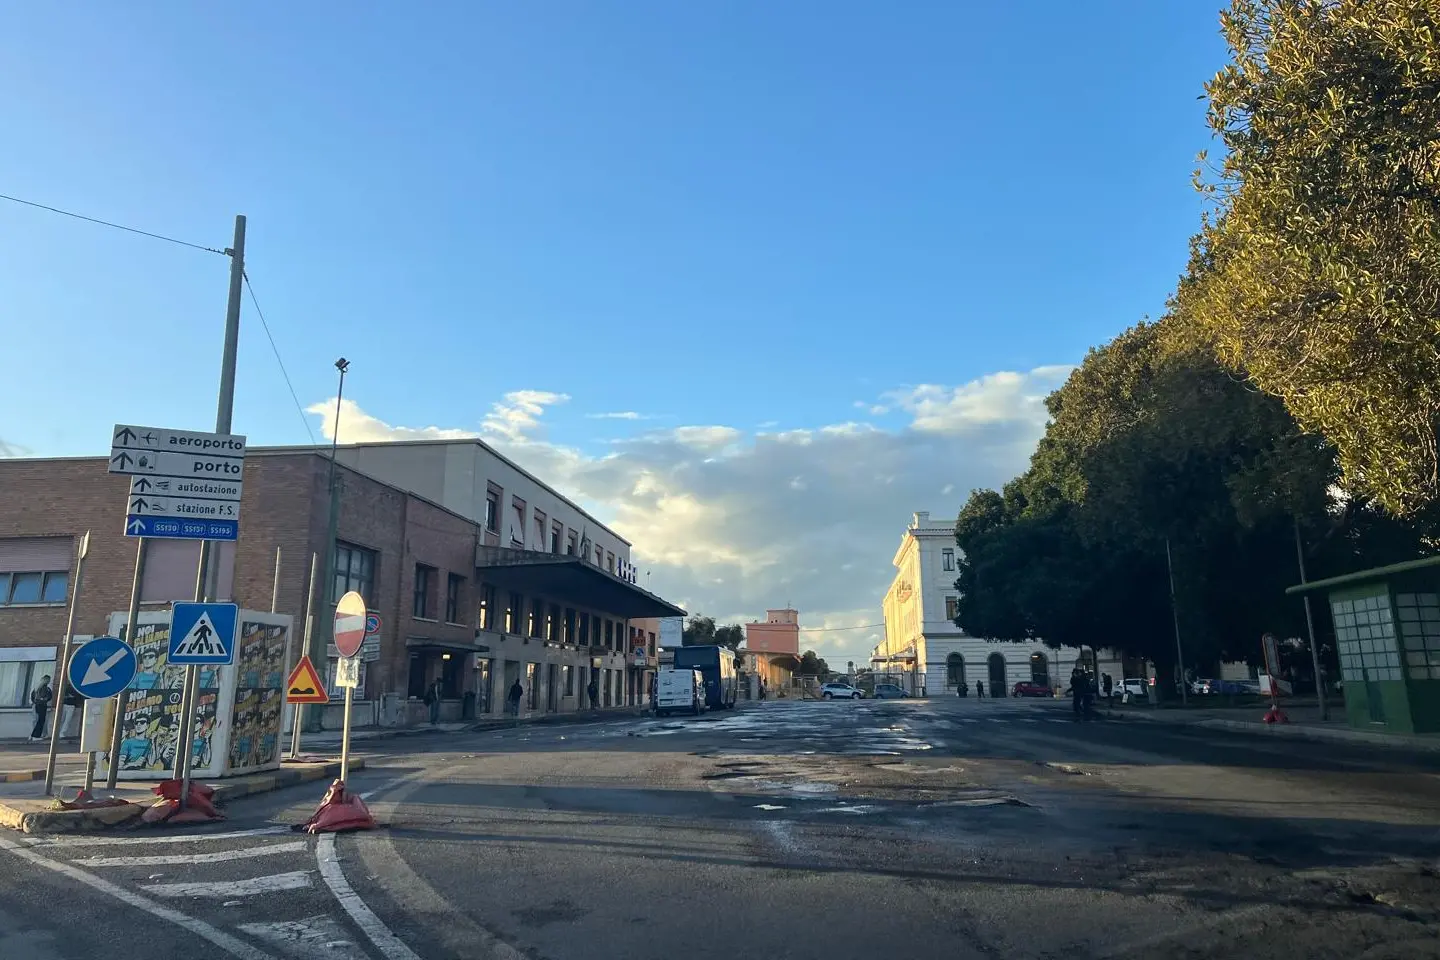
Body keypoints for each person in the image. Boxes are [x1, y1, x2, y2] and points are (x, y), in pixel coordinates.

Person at [30, 675, 53, 740]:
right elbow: (48, 696)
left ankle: (33, 735)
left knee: (38, 720)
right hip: (42, 705)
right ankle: (36, 736)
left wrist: (35, 701)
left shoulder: (36, 688)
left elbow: (32, 696)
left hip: (37, 705)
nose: (49, 681)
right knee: (41, 720)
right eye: (48, 680)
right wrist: (44, 699)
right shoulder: (45, 688)